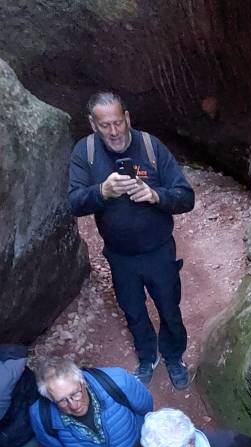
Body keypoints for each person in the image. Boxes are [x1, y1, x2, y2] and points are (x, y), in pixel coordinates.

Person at [68, 91, 195, 389]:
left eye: (118, 122)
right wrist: (102, 191)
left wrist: (155, 195)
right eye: (105, 125)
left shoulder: (150, 147)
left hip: (158, 251)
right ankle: (147, 356)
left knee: (169, 308)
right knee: (133, 311)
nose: (113, 131)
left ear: (127, 118)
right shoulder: (85, 152)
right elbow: (73, 202)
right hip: (120, 255)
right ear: (93, 125)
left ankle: (173, 356)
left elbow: (186, 197)